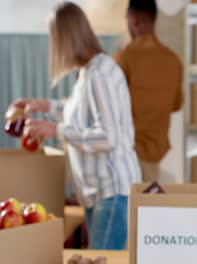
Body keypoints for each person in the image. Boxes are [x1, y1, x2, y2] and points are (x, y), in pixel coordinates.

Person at [9, 2, 141, 250]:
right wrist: (42, 105)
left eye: (54, 39)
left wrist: (54, 130)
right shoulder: (89, 73)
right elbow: (80, 112)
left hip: (111, 190)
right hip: (98, 191)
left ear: (66, 38)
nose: (54, 47)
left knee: (100, 257)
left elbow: (108, 137)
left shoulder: (100, 74)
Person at [113, 0, 183, 183]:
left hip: (126, 155)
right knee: (146, 206)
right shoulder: (173, 60)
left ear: (133, 20)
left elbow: (110, 108)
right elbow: (176, 104)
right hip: (156, 153)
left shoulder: (123, 59)